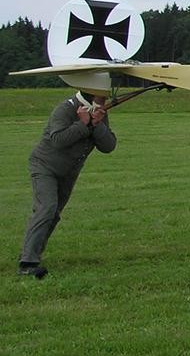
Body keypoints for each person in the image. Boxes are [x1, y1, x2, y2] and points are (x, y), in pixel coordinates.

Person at [18, 90, 117, 278]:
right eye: (101, 96)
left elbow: (109, 146)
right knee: (46, 208)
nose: (105, 100)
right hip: (44, 166)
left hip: (68, 172)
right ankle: (27, 263)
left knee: (54, 214)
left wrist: (97, 125)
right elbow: (58, 140)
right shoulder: (65, 109)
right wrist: (82, 124)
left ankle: (30, 252)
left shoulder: (99, 113)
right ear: (90, 95)